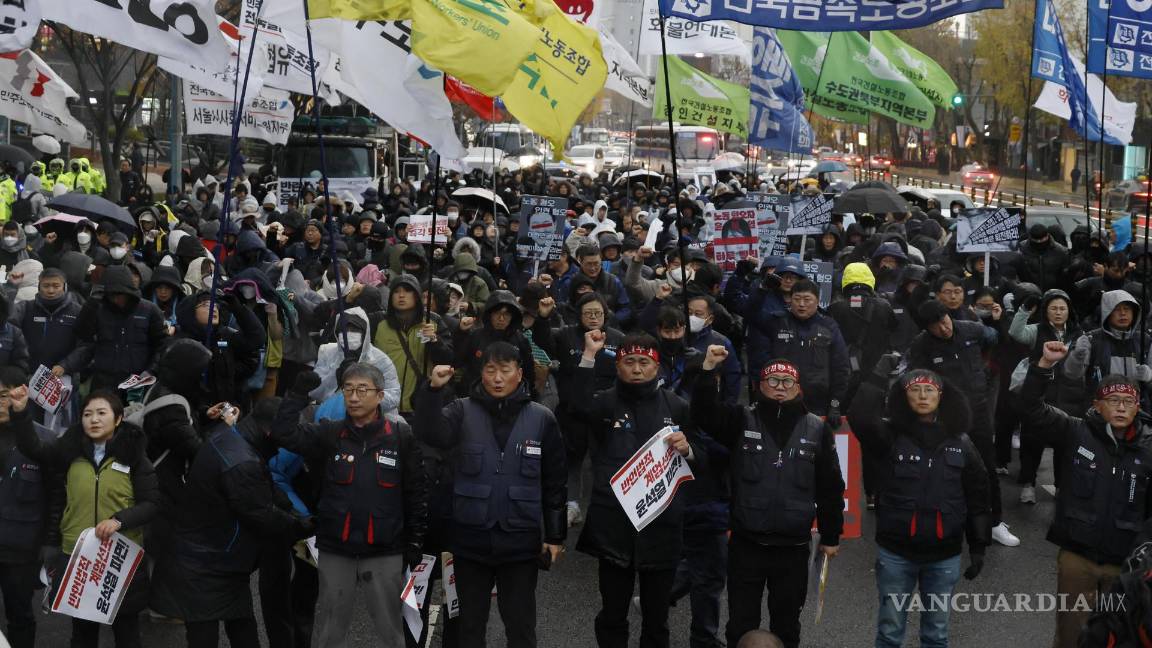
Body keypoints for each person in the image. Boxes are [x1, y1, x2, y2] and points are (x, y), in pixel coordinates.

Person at [415, 342, 566, 648]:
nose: (497, 378)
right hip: (470, 541)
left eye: (505, 370)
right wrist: (432, 390)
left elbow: (555, 481)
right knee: (469, 628)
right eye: (490, 370)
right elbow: (430, 433)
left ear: (519, 374)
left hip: (520, 543)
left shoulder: (542, 418)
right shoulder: (460, 410)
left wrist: (555, 535)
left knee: (521, 628)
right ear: (481, 373)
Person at [692, 349, 844, 648]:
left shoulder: (817, 428)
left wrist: (831, 535)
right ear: (759, 386)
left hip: (793, 548)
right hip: (746, 544)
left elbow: (830, 486)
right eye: (773, 380)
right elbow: (703, 414)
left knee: (787, 625)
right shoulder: (740, 419)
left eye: (787, 381)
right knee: (740, 624)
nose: (780, 386)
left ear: (798, 388)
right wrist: (708, 371)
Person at [273, 364, 429, 648]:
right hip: (336, 548)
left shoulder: (401, 437)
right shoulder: (329, 433)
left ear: (380, 395)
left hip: (384, 549)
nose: (354, 397)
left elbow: (415, 493)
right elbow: (283, 434)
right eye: (348, 389)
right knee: (330, 631)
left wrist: (415, 542)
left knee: (392, 632)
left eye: (362, 390)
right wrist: (296, 395)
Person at [571, 331, 705, 648]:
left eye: (644, 362)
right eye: (629, 361)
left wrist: (688, 450)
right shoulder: (604, 403)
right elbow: (576, 411)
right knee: (612, 615)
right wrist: (588, 357)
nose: (636, 368)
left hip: (662, 528)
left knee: (657, 620)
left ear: (657, 367)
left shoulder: (677, 406)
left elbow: (704, 459)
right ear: (618, 365)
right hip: (614, 526)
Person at [847, 364, 990, 648]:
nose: (923, 396)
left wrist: (978, 546)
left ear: (941, 397)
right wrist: (877, 376)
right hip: (896, 554)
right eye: (915, 390)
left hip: (944, 556)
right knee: (890, 632)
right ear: (904, 397)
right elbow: (860, 418)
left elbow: (978, 496)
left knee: (936, 634)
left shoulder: (961, 443)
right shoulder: (889, 436)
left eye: (929, 390)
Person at [1021, 341, 1152, 647]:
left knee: (1118, 637)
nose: (1121, 407)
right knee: (1071, 636)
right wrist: (1044, 365)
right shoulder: (1075, 431)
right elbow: (1030, 409)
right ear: (1097, 405)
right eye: (1113, 400)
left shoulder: (1148, 449)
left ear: (1138, 407)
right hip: (1077, 558)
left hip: (1125, 566)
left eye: (1128, 401)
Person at [152, 399, 314, 648]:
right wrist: (304, 527)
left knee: (242, 630)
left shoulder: (233, 436)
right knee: (207, 637)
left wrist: (291, 510)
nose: (292, 441)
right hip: (207, 563)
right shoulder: (242, 461)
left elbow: (265, 486)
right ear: (270, 432)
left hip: (215, 556)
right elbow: (261, 514)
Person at [15, 389, 159, 648]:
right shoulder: (69, 452)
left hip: (119, 557)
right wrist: (21, 412)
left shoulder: (134, 456)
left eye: (102, 413)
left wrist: (119, 520)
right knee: (82, 633)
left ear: (118, 418)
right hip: (78, 554)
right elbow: (34, 448)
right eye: (87, 414)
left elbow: (151, 504)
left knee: (126, 631)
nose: (94, 419)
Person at [908, 299, 1018, 548]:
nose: (944, 328)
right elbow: (915, 379)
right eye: (936, 326)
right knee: (947, 469)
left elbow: (996, 340)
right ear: (927, 328)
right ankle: (949, 522)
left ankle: (994, 522)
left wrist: (997, 326)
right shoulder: (921, 345)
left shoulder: (972, 329)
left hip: (978, 411)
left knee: (986, 467)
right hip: (946, 416)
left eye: (944, 321)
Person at [0, 367, 51, 648]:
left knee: (19, 616)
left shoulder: (44, 440)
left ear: (22, 394)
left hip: (21, 551)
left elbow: (56, 498)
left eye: (4, 395)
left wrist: (49, 544)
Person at [762, 278, 851, 420]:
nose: (801, 304)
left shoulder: (829, 327)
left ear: (817, 301)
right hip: (781, 400)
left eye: (807, 299)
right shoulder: (777, 323)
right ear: (790, 300)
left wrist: (835, 404)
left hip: (818, 405)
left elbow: (841, 368)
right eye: (797, 299)